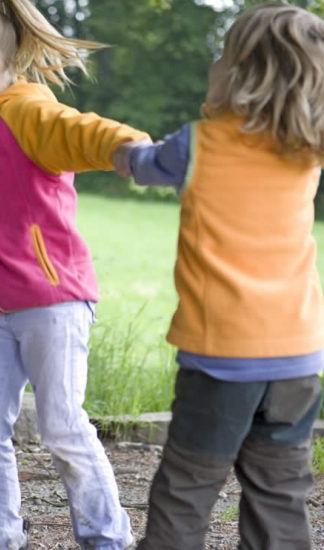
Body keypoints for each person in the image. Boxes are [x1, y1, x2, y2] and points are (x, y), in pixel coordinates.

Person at [0, 0, 150, 547]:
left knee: (63, 427)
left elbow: (82, 132)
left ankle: (107, 537)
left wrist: (132, 149)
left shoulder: (28, 114)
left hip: (53, 300)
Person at [113, 4, 324, 548]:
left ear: (238, 74)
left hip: (223, 359)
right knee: (280, 493)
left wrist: (122, 149)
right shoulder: (308, 149)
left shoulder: (199, 143)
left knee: (187, 489)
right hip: (298, 358)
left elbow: (139, 162)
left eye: (222, 57)